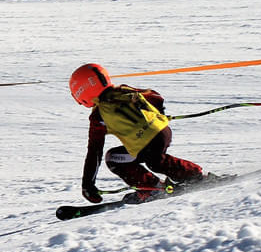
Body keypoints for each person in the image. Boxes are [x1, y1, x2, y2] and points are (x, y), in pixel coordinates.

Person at [69, 63, 203, 204]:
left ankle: (152, 188)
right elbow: (155, 96)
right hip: (163, 132)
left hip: (143, 144)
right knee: (156, 160)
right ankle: (195, 175)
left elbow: (94, 152)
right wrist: (158, 114)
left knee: (113, 158)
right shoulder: (124, 90)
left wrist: (88, 185)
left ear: (82, 92)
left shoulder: (98, 116)